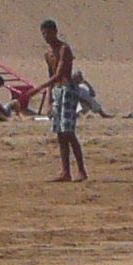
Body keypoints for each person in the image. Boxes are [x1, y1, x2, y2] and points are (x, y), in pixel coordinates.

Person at [40, 18, 86, 183]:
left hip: (67, 90)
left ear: (55, 31)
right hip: (57, 92)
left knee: (68, 132)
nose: (46, 36)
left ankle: (81, 170)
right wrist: (49, 101)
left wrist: (36, 89)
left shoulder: (64, 49)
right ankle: (65, 171)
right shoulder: (48, 54)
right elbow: (50, 76)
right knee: (60, 133)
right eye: (44, 34)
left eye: (49, 33)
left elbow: (59, 74)